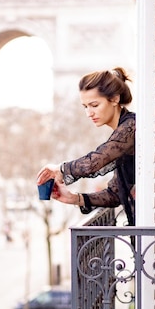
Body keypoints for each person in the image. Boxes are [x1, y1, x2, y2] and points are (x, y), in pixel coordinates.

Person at [36, 67, 135, 225]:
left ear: (115, 99)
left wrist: (61, 169)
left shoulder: (131, 127)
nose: (89, 113)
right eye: (85, 106)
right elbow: (115, 195)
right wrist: (74, 198)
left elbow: (93, 163)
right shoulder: (122, 133)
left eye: (94, 105)